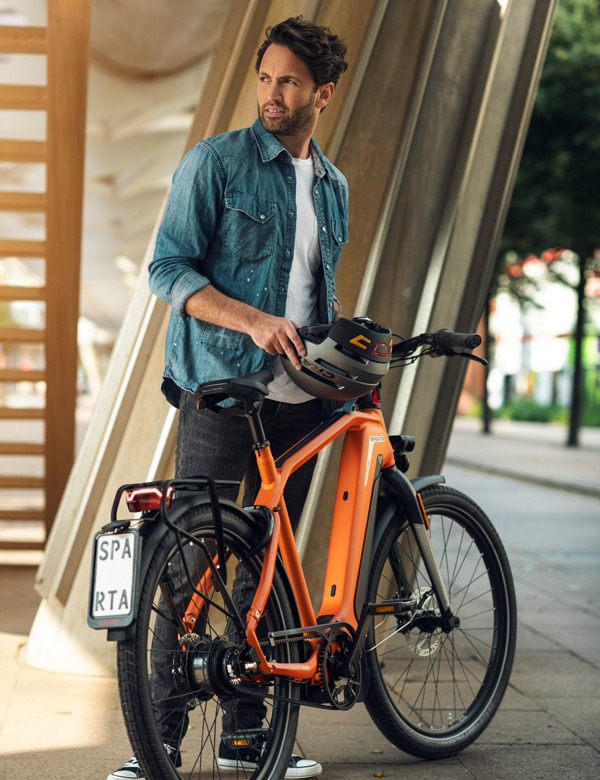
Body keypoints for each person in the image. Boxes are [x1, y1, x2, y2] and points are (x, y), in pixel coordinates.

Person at [108, 15, 349, 780]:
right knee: (184, 569)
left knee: (268, 568)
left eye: (290, 82)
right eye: (266, 77)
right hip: (222, 393)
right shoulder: (213, 164)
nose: (272, 94)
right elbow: (167, 271)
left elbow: (316, 292)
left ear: (324, 95)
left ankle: (250, 732)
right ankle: (159, 749)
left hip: (303, 400)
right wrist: (251, 320)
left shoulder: (334, 186)